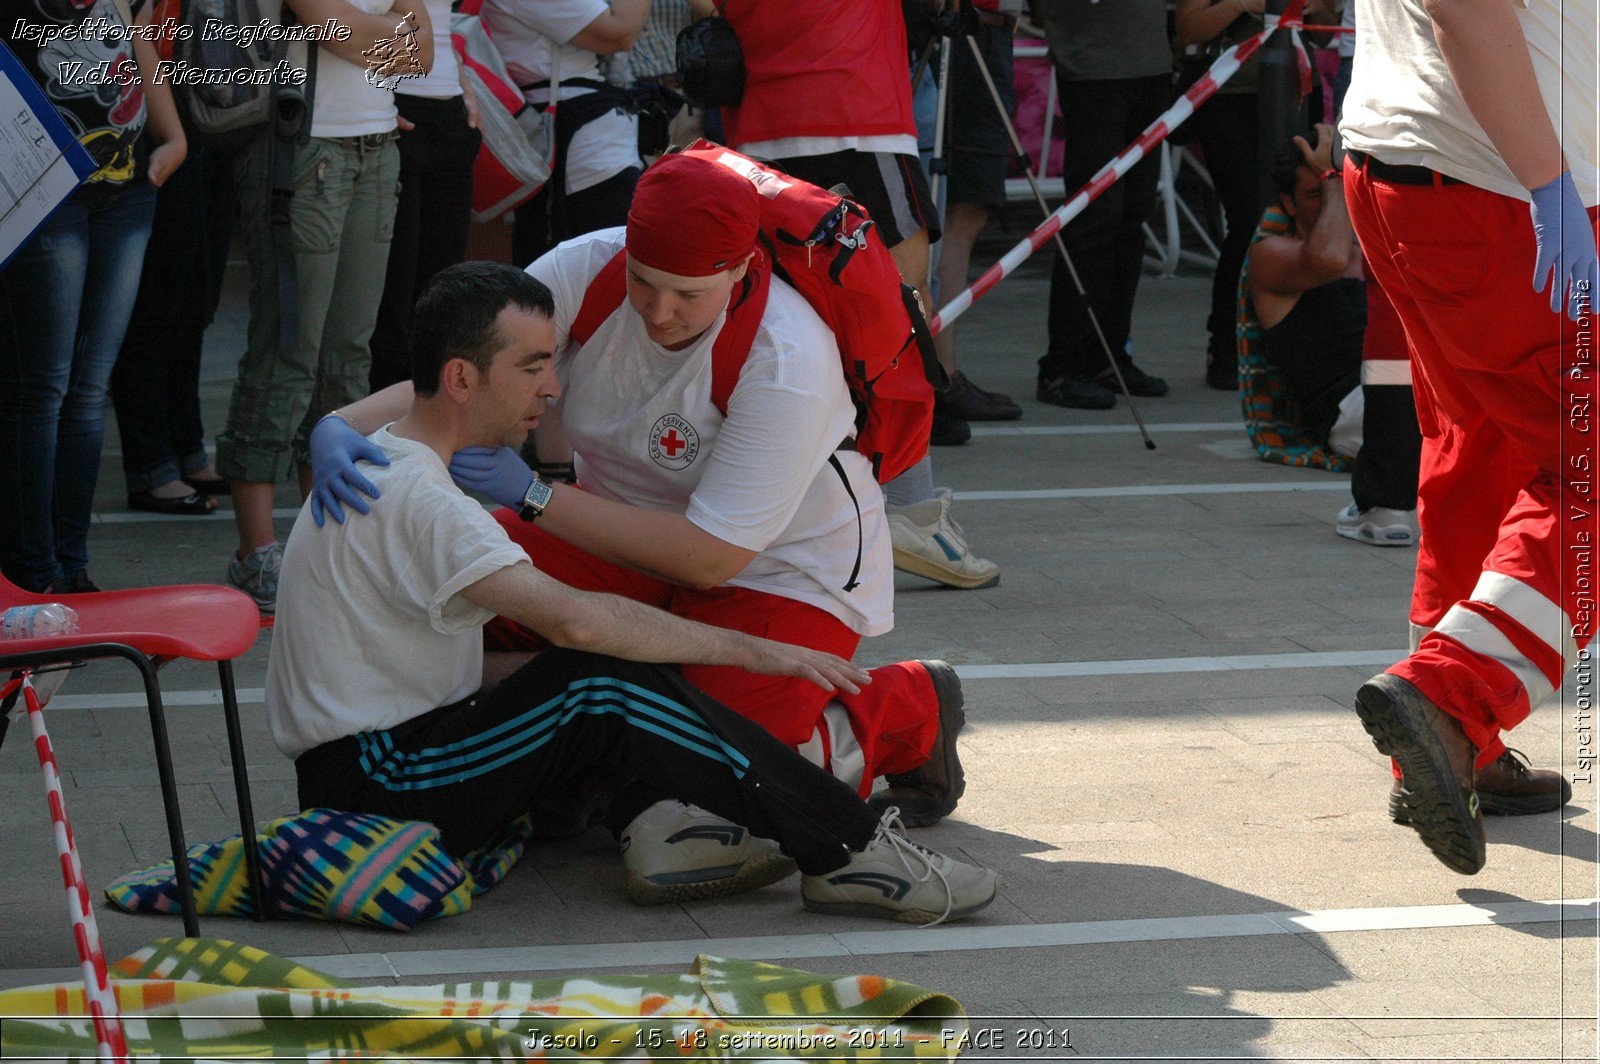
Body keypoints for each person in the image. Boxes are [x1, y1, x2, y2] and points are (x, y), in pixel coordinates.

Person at [309, 153, 971, 899]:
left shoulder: (788, 358)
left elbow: (708, 559)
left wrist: (533, 498)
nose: (658, 311)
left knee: (683, 793)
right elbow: (464, 375)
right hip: (610, 532)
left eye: (688, 294)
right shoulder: (584, 269)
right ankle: (597, 742)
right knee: (450, 608)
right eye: (644, 282)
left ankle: (904, 708)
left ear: (741, 268)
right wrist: (341, 427)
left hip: (774, 572)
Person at [1340, 0, 1596, 875]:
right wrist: (1549, 181)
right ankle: (1452, 700)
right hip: (1503, 188)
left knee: (1476, 449)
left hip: (1431, 170)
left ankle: (1452, 748)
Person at [694, 0, 1002, 591]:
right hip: (859, 112)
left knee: (779, 327)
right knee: (899, 322)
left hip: (762, 128)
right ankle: (909, 509)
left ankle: (792, 507)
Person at [215, 0, 433, 613]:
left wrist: (366, 37)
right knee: (289, 350)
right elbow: (339, 32)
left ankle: (326, 540)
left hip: (374, 146)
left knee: (346, 356)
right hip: (300, 147)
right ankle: (254, 554)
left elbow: (418, 57)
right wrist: (375, 36)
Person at [0, 0, 186, 593]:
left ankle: (70, 568)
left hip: (127, 191)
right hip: (42, 193)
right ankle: (35, 571)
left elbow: (138, 41)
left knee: (85, 388)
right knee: (46, 386)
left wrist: (175, 136)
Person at [1032, 0, 1170, 410]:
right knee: (1093, 218)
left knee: (1134, 217)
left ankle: (1110, 354)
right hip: (1093, 67)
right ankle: (1064, 364)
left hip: (1150, 62)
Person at [368, 0, 483, 392]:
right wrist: (375, 94)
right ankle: (384, 433)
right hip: (394, 112)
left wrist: (463, 85)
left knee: (439, 295)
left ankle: (429, 431)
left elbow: (439, 23)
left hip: (449, 117)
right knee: (392, 297)